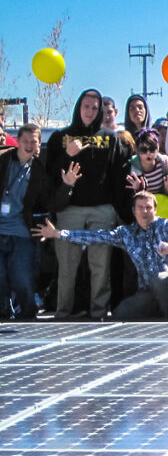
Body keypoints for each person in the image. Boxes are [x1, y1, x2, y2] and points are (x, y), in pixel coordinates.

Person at [33, 191, 168, 319]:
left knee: (161, 278)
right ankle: (157, 313)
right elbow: (95, 236)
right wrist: (58, 234)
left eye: (149, 207)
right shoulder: (125, 234)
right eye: (140, 208)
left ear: (156, 210)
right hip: (149, 293)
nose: (145, 211)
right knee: (121, 314)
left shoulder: (166, 226)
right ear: (133, 211)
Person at [46, 89, 132, 319]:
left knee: (101, 266)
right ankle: (62, 313)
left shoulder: (110, 137)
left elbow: (117, 175)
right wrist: (67, 155)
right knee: (67, 266)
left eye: (95, 108)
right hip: (70, 209)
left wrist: (117, 208)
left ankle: (99, 313)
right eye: (86, 106)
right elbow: (51, 172)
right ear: (78, 107)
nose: (90, 111)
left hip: (102, 209)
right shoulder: (60, 137)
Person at [0, 125, 75, 320]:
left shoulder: (39, 171)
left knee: (22, 280)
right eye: (25, 141)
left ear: (39, 143)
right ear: (17, 140)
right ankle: (3, 313)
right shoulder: (4, 161)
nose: (29, 145)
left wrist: (67, 186)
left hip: (20, 232)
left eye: (34, 141)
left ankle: (27, 316)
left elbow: (52, 202)